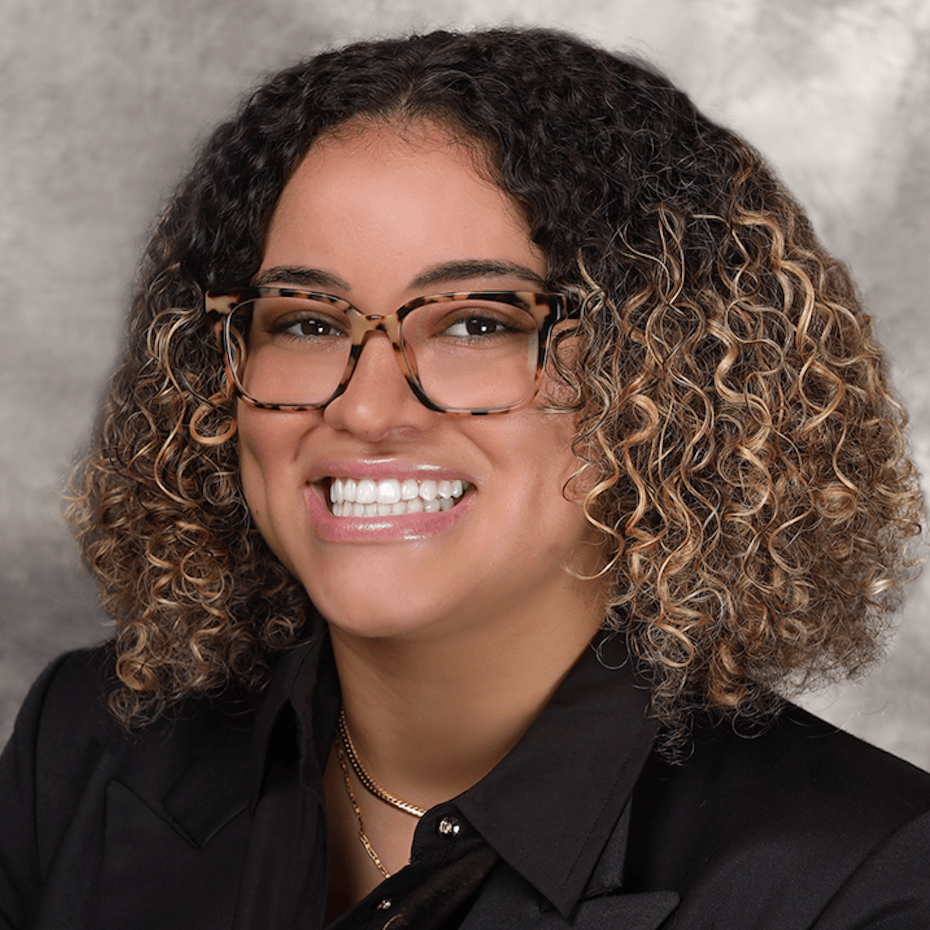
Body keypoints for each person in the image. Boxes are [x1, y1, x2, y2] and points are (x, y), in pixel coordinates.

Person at [1, 26, 928, 930]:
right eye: (307, 322)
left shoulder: (868, 882)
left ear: (660, 376)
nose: (366, 410)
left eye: (478, 324)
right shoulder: (84, 746)